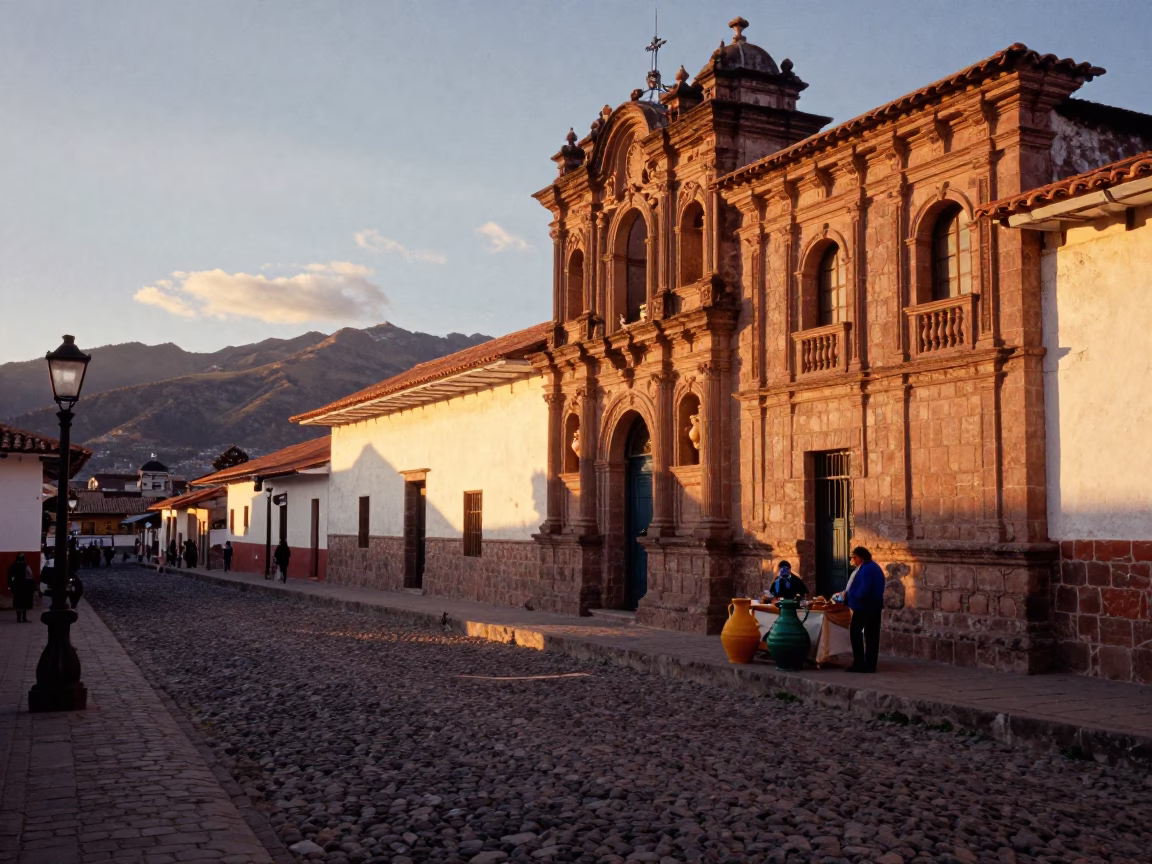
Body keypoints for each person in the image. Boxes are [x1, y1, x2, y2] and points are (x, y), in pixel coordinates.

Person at [843, 546, 886, 673]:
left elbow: (864, 589)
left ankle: (860, 663)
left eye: (855, 557)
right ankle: (869, 664)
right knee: (871, 635)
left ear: (861, 557)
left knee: (856, 632)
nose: (853, 560)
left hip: (865, 606)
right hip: (873, 605)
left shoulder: (867, 569)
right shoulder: (872, 567)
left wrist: (852, 597)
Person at [7, 554, 36, 623]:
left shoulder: (12, 567)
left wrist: (12, 585)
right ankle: (24, 617)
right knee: (25, 602)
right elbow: (30, 576)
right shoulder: (26, 566)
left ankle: (19, 618)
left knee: (18, 602)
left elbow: (11, 578)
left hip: (17, 587)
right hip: (25, 587)